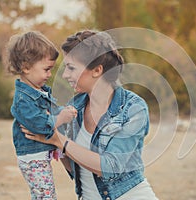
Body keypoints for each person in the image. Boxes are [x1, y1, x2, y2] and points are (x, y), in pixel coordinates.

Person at [22, 30, 158, 200]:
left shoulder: (133, 108)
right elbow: (76, 168)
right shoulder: (73, 108)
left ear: (97, 70)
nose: (64, 75)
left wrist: (57, 139)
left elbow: (111, 167)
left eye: (71, 68)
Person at [4, 31, 77, 199]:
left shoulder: (39, 90)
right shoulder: (23, 99)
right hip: (32, 158)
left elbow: (50, 111)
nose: (50, 75)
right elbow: (40, 124)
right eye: (46, 69)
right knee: (45, 195)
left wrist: (64, 112)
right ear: (26, 66)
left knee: (45, 194)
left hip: (40, 153)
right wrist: (61, 118)